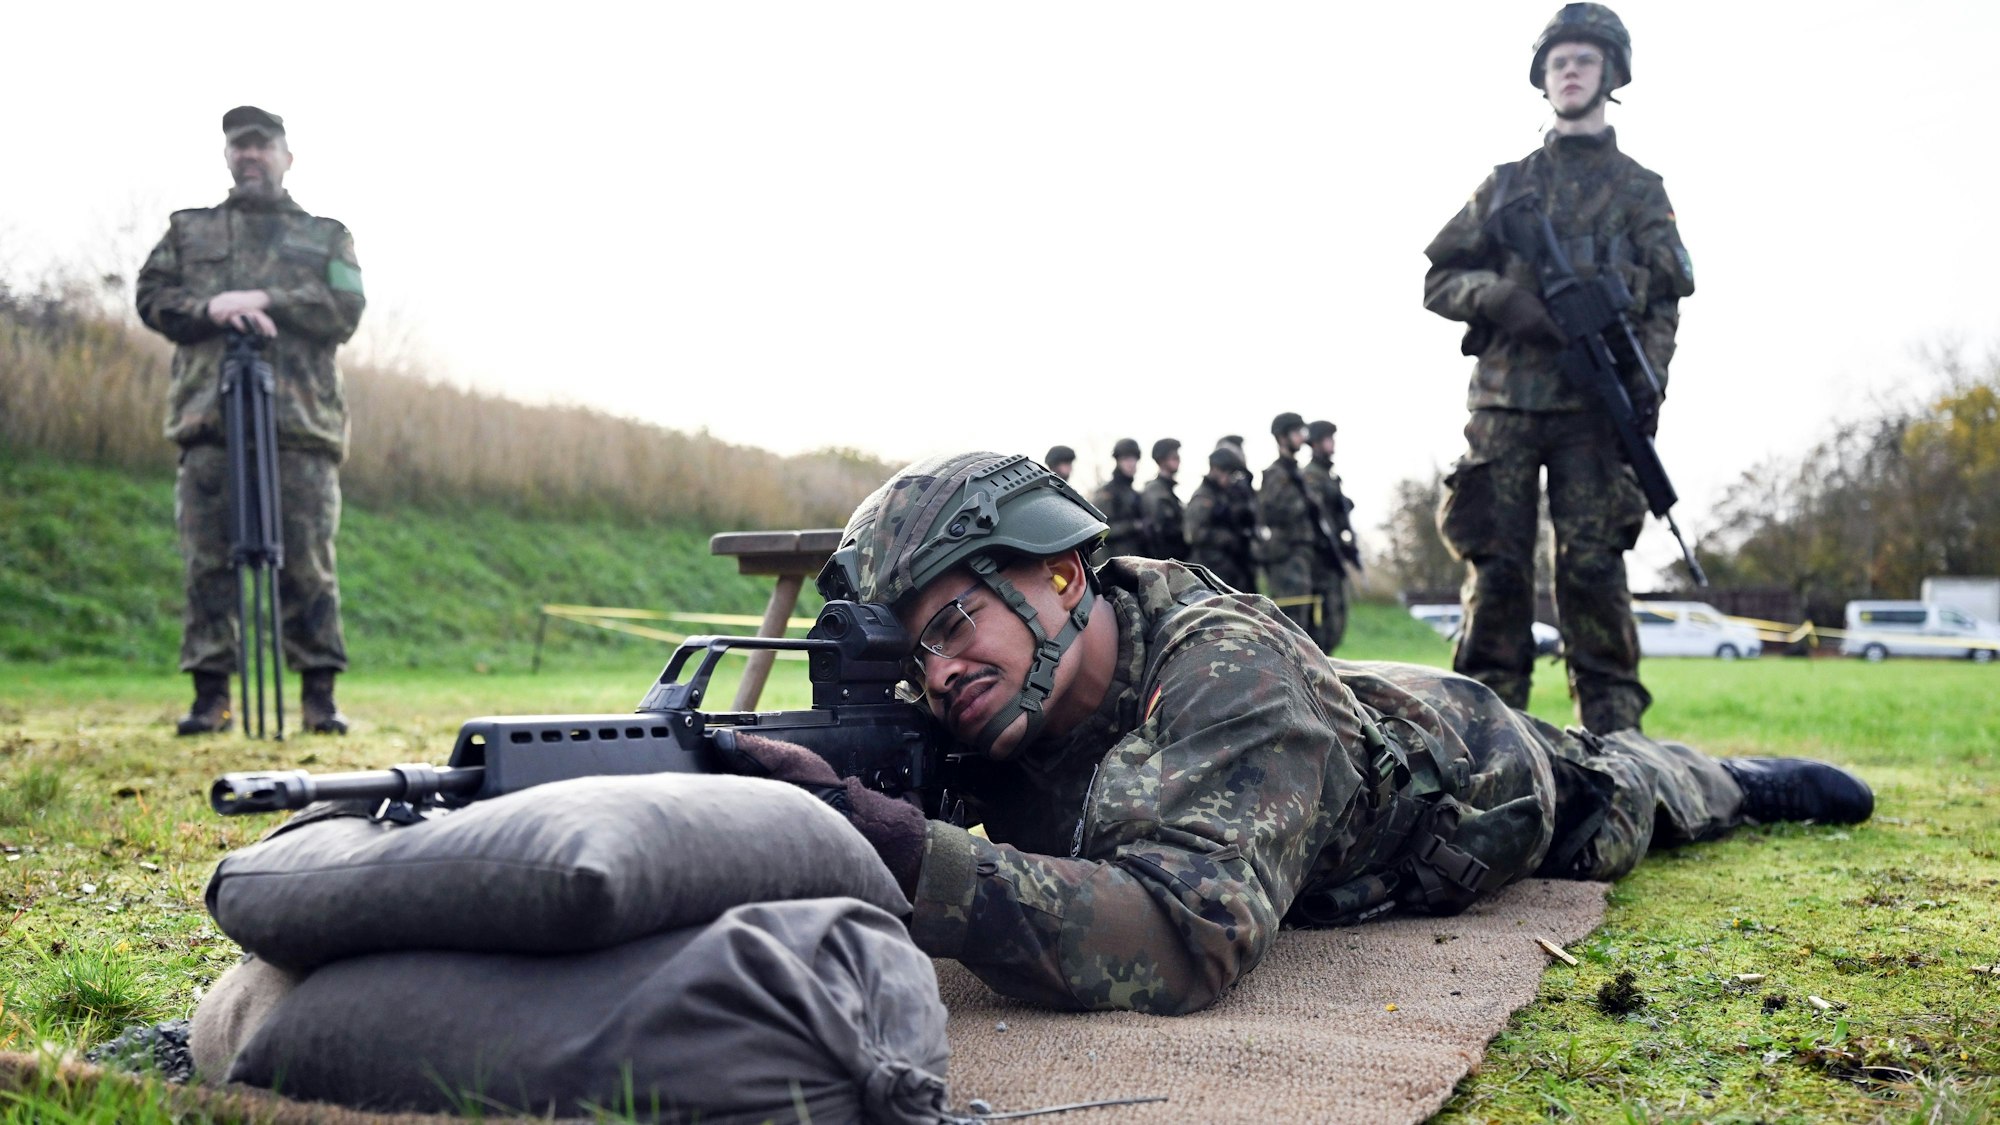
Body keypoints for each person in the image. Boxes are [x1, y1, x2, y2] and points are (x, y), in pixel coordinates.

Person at [724, 452, 1872, 1016]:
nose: (938, 674)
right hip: (1321, 725)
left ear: (1063, 574)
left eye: (954, 623)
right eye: (913, 655)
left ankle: (1727, 779)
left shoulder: (1228, 672)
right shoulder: (990, 700)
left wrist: (909, 857)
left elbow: (1180, 935)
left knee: (1615, 793)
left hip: (1465, 782)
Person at [1422, 3, 1693, 734]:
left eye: (1584, 60)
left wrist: (1649, 381)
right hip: (1506, 405)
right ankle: (1484, 739)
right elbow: (1438, 279)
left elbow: (1665, 300)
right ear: (1542, 79)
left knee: (1593, 570)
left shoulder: (1641, 190)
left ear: (1611, 73)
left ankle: (1616, 741)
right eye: (1558, 62)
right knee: (1498, 570)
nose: (1570, 72)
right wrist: (1499, 298)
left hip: (1594, 410)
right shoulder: (1506, 185)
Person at [136, 106, 366, 735]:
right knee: (207, 563)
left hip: (301, 426)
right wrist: (213, 307)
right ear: (227, 156)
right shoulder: (189, 230)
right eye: (240, 146)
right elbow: (151, 297)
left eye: (263, 145)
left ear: (287, 157)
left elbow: (346, 307)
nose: (251, 155)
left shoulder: (327, 235)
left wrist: (266, 300)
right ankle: (211, 699)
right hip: (209, 420)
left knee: (309, 564)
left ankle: (319, 699)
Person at [1257, 412, 1329, 646]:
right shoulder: (1276, 474)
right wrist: (1303, 504)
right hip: (1285, 555)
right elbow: (1270, 512)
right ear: (1282, 437)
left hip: (1302, 554)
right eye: (1296, 432)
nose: (1301, 437)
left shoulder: (1297, 474)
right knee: (1290, 620)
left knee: (1305, 621)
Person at [1302, 420, 1363, 653]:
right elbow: (1317, 517)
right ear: (1316, 443)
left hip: (1333, 559)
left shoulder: (1329, 476)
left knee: (1337, 620)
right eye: (1328, 439)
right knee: (1324, 624)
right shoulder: (1311, 475)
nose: (1332, 443)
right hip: (1320, 560)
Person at [1182, 446, 1257, 593]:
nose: (1228, 478)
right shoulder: (1203, 497)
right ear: (1215, 469)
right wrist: (1224, 537)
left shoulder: (1225, 495)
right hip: (1211, 569)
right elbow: (1192, 534)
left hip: (1230, 567)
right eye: (1227, 473)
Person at [1090, 438, 1146, 558]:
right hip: (1114, 560)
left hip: (1135, 558)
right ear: (1118, 461)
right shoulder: (1108, 493)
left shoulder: (1134, 493)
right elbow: (1099, 530)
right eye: (1126, 459)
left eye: (1134, 459)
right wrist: (1133, 526)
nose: (1131, 464)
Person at [1138, 438, 1188, 561]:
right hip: (1165, 560)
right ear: (1162, 460)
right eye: (1174, 456)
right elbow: (1160, 530)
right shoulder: (1155, 490)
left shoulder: (1166, 489)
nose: (1178, 459)